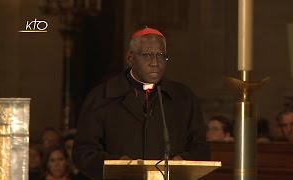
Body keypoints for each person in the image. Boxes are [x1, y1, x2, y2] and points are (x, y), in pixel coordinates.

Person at [73, 27, 210, 180]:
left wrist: (183, 161)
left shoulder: (183, 97)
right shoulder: (101, 97)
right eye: (147, 55)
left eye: (161, 55)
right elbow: (83, 152)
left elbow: (201, 148)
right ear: (130, 58)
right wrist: (116, 165)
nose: (155, 63)